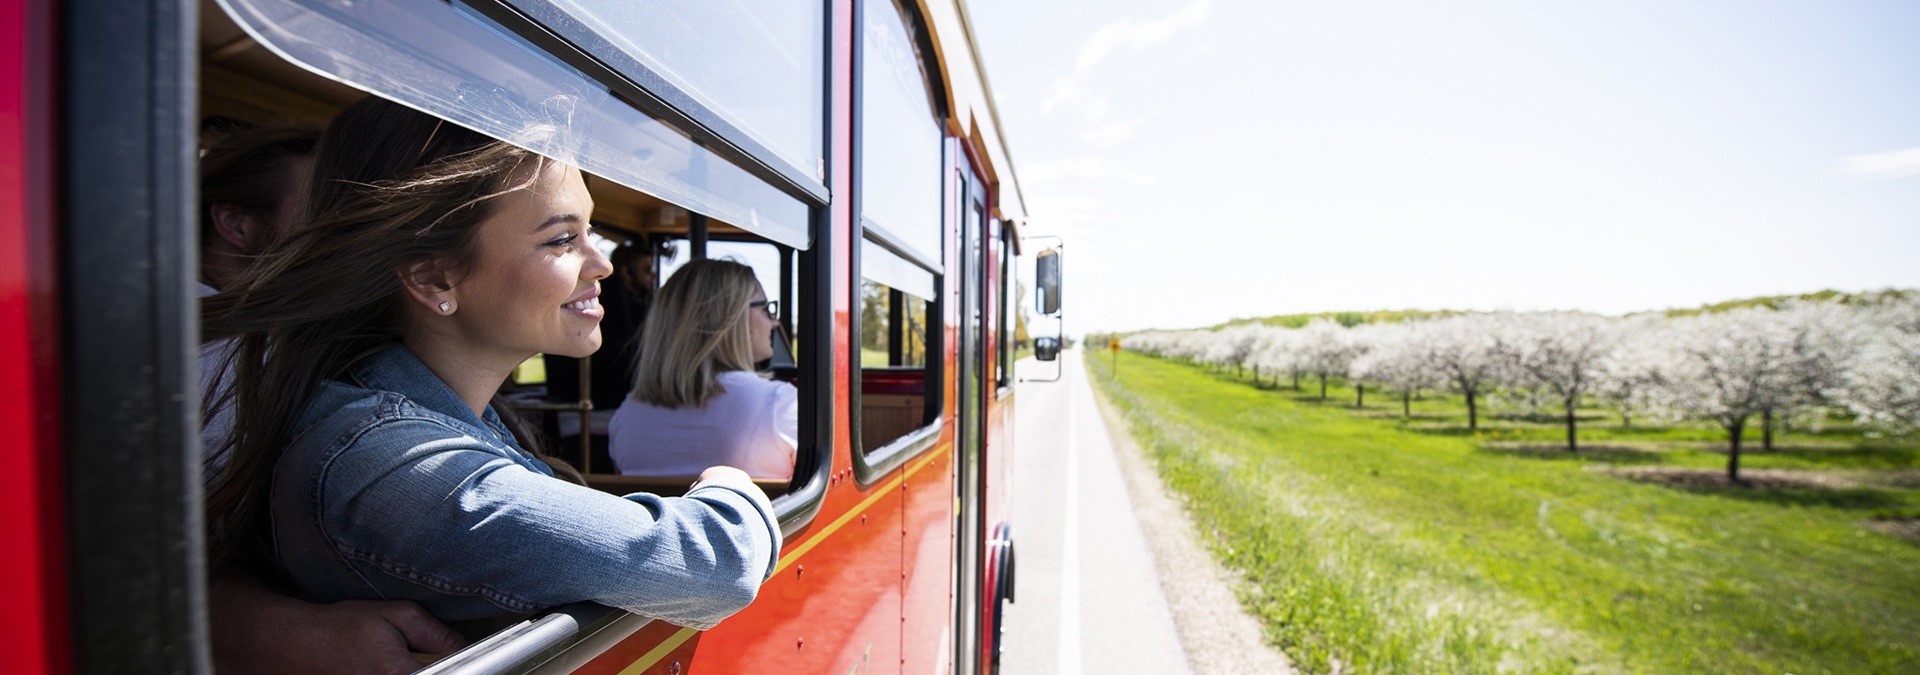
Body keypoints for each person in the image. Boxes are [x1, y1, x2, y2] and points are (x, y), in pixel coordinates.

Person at [202, 96, 781, 631]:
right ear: (434, 278)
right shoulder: (389, 465)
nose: (599, 264)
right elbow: (715, 563)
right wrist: (730, 482)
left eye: (590, 232)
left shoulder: (429, 422)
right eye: (561, 240)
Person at [197, 124, 469, 673]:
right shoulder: (217, 354)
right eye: (322, 207)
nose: (345, 228)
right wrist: (283, 632)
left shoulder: (260, 343)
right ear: (235, 224)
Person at [609, 259, 797, 481]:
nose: (774, 323)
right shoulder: (778, 404)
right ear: (733, 316)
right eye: (766, 309)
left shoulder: (626, 417)